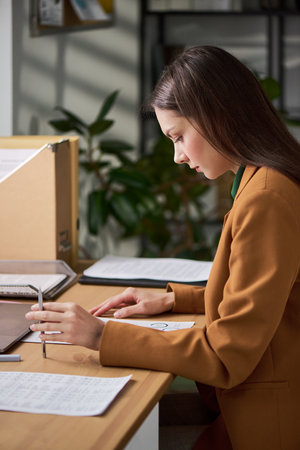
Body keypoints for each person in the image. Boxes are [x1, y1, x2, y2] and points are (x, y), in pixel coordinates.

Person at [26, 46, 300, 449]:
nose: (177, 156)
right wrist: (175, 301)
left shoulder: (266, 197)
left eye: (178, 136)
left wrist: (103, 336)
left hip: (267, 420)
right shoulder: (262, 179)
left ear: (217, 116)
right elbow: (268, 297)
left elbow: (228, 354)